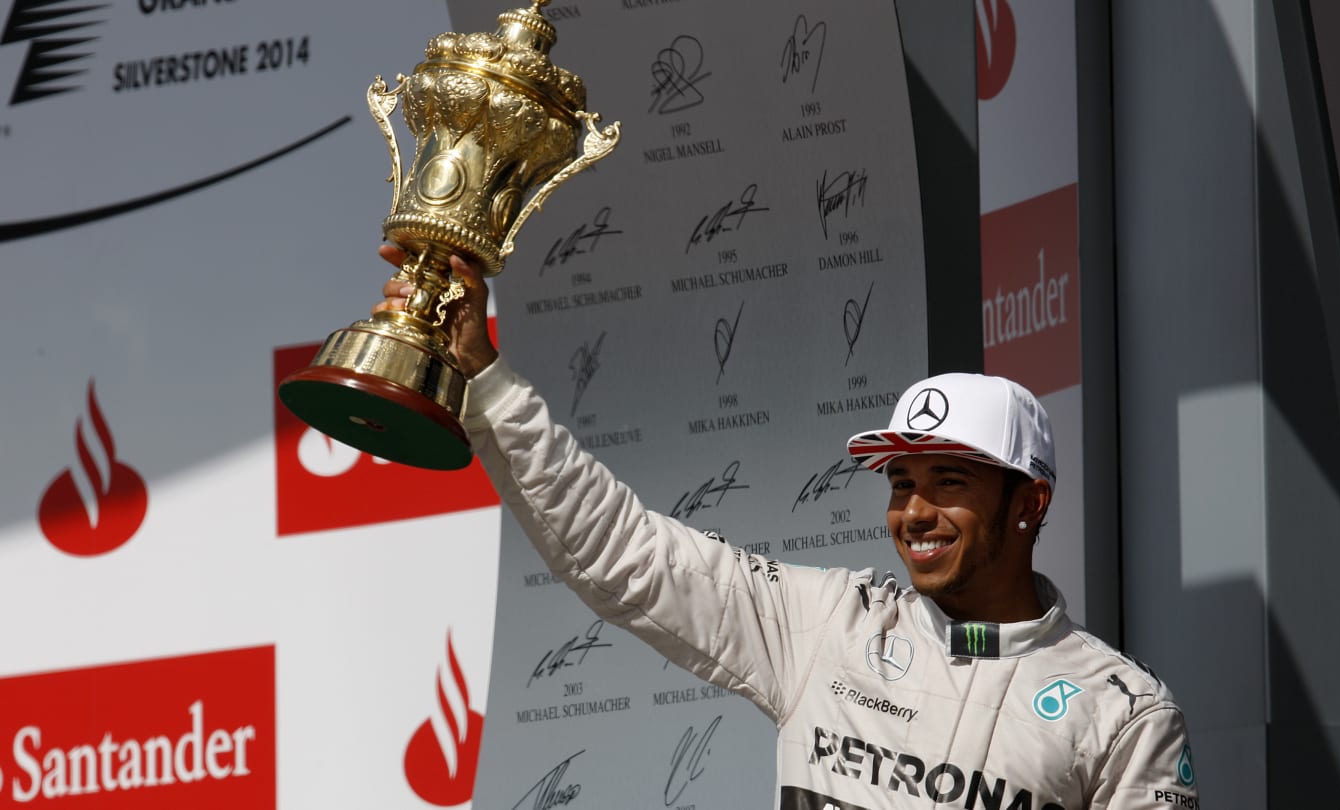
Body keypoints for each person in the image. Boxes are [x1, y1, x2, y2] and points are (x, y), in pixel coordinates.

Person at [376, 248, 1200, 810]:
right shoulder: (825, 627)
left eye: (949, 482)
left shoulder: (1121, 711)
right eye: (902, 484)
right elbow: (617, 550)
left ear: (1029, 503)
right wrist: (484, 379)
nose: (914, 513)